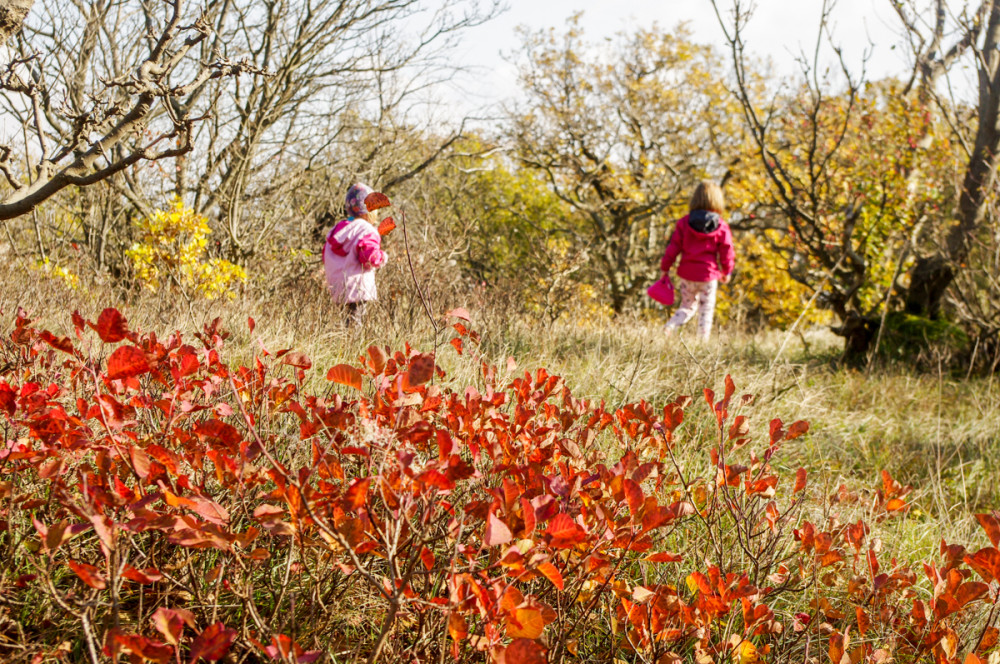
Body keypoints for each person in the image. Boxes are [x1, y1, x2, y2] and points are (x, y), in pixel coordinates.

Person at [660, 181, 735, 341]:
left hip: (687, 274)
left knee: (687, 306)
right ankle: (702, 342)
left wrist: (665, 267)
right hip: (708, 276)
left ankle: (671, 326)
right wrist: (727, 270)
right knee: (706, 310)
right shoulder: (721, 226)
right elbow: (727, 250)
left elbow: (673, 247)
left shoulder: (684, 223)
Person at [323, 183, 388, 326]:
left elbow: (325, 255)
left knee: (345, 321)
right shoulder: (366, 230)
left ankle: (342, 345)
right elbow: (368, 258)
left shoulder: (338, 229)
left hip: (337, 286)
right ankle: (351, 348)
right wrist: (382, 257)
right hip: (357, 286)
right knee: (355, 323)